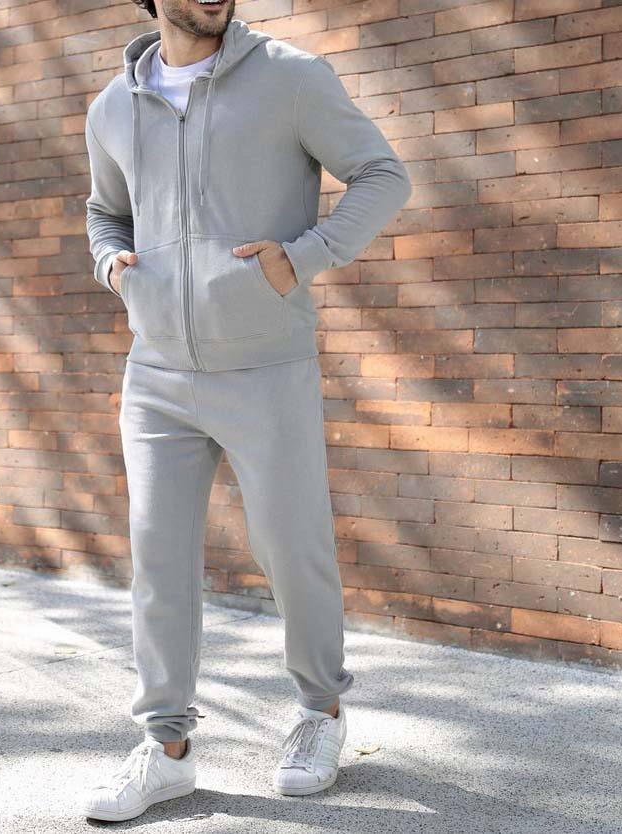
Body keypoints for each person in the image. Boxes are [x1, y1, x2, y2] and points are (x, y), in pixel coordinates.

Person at [82, 0, 411, 821]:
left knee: (292, 550)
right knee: (158, 563)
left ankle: (320, 713)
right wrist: (112, 264)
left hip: (265, 365)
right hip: (156, 371)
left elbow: (382, 174)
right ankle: (166, 748)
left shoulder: (289, 77)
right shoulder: (113, 106)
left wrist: (303, 257)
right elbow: (104, 210)